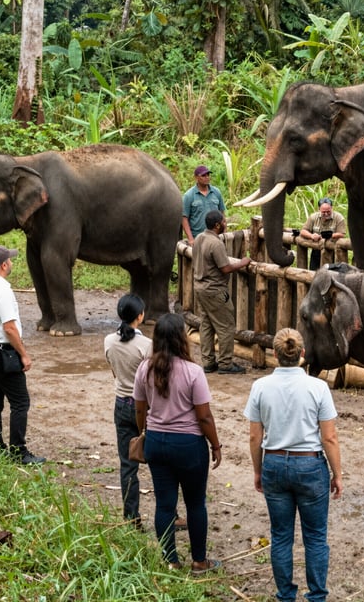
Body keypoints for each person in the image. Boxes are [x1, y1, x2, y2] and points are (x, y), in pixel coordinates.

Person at [244, 328, 343, 602]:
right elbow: (330, 437)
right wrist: (337, 474)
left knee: (281, 535)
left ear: (274, 354)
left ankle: (286, 595)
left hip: (274, 463)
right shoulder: (318, 387)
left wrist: (257, 469)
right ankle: (317, 596)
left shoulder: (260, 387)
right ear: (302, 354)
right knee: (315, 537)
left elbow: (255, 435)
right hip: (310, 465)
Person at [133, 313, 222, 573]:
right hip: (190, 445)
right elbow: (204, 416)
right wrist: (215, 445)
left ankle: (170, 561)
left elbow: (140, 410)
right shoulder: (193, 372)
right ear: (182, 338)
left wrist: (144, 433)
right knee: (195, 504)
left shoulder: (144, 369)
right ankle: (199, 561)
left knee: (164, 504)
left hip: (157, 443)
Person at [0, 245, 45, 465]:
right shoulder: (3, 290)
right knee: (20, 402)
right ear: (4, 265)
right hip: (2, 351)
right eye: (10, 260)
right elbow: (9, 328)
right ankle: (19, 451)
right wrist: (24, 354)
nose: (11, 263)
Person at [104, 293, 153, 526]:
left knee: (127, 463)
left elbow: (114, 370)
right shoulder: (146, 345)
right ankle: (170, 513)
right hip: (145, 407)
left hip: (121, 402)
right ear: (140, 316)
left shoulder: (108, 341)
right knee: (159, 463)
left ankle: (131, 517)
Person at [192, 209, 251, 374]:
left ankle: (208, 362)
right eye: (224, 221)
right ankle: (226, 364)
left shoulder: (199, 238)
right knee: (226, 325)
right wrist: (243, 262)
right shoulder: (215, 243)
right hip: (215, 290)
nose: (226, 223)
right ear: (217, 225)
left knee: (206, 324)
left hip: (200, 288)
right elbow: (225, 268)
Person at [299, 197, 347, 271]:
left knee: (333, 274)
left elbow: (342, 234)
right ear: (319, 209)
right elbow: (303, 231)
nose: (326, 214)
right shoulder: (313, 217)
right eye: (323, 212)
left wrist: (331, 235)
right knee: (314, 273)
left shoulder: (339, 217)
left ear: (332, 208)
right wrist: (311, 236)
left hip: (333, 251)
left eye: (328, 211)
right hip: (317, 250)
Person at [182, 165, 226, 243]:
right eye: (203, 175)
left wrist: (224, 232)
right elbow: (184, 218)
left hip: (216, 237)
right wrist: (191, 239)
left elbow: (222, 214)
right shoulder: (189, 196)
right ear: (196, 177)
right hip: (198, 238)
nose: (207, 177)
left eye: (208, 175)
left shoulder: (216, 192)